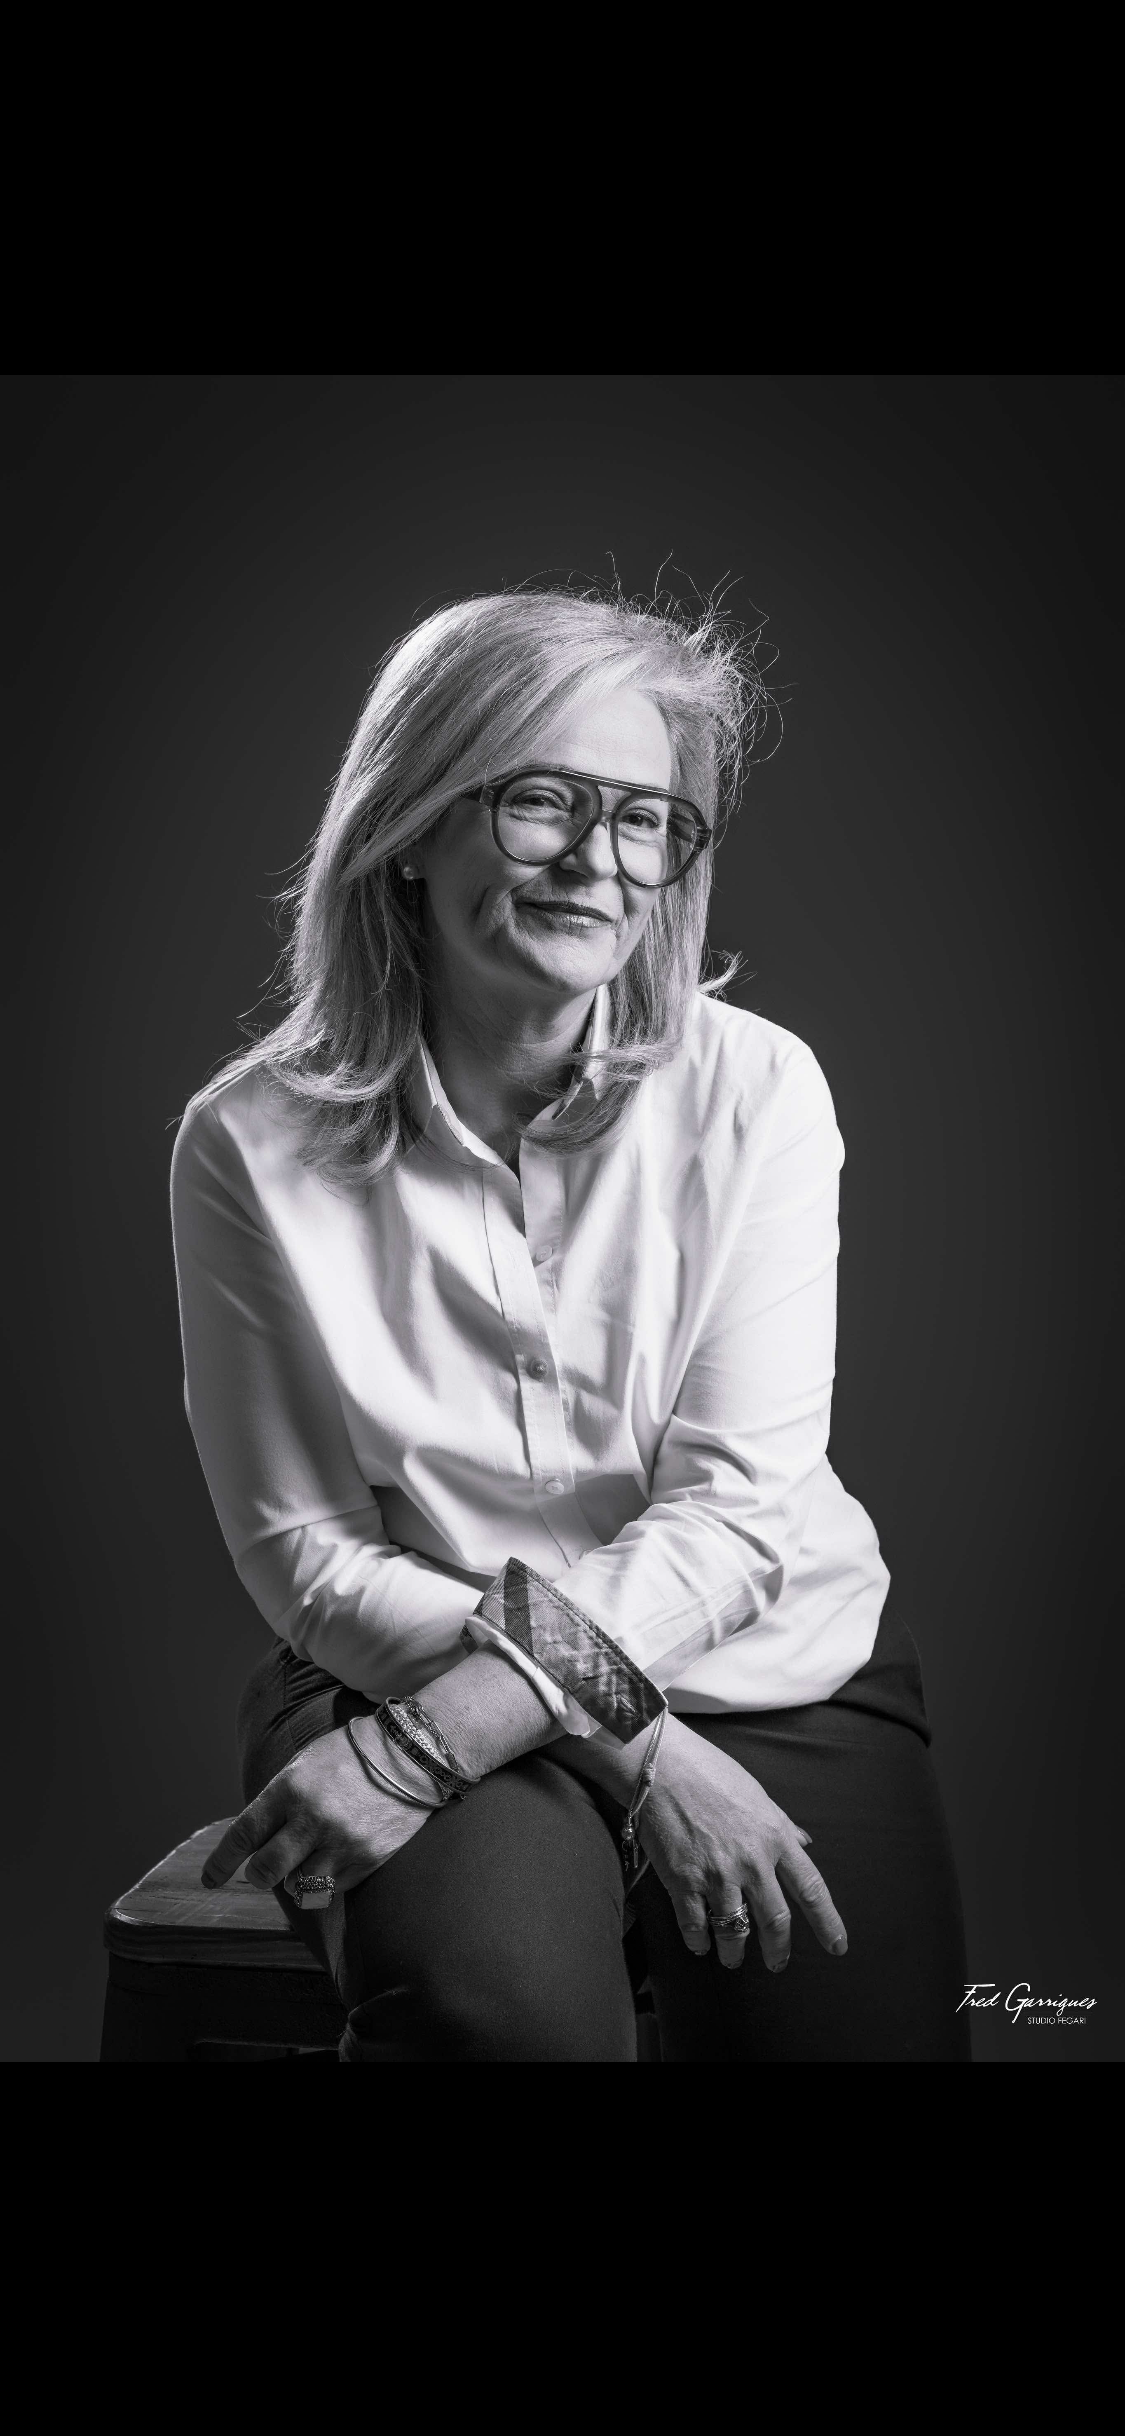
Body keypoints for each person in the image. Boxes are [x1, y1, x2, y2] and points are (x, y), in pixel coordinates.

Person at [171, 586, 970, 2062]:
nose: (601, 860)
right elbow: (313, 1556)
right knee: (502, 2028)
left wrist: (468, 1731)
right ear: (410, 825)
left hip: (763, 1663)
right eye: (542, 800)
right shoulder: (248, 1143)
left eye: (646, 819)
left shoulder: (760, 1092)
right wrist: (646, 1749)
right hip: (404, 1653)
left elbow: (736, 1515)